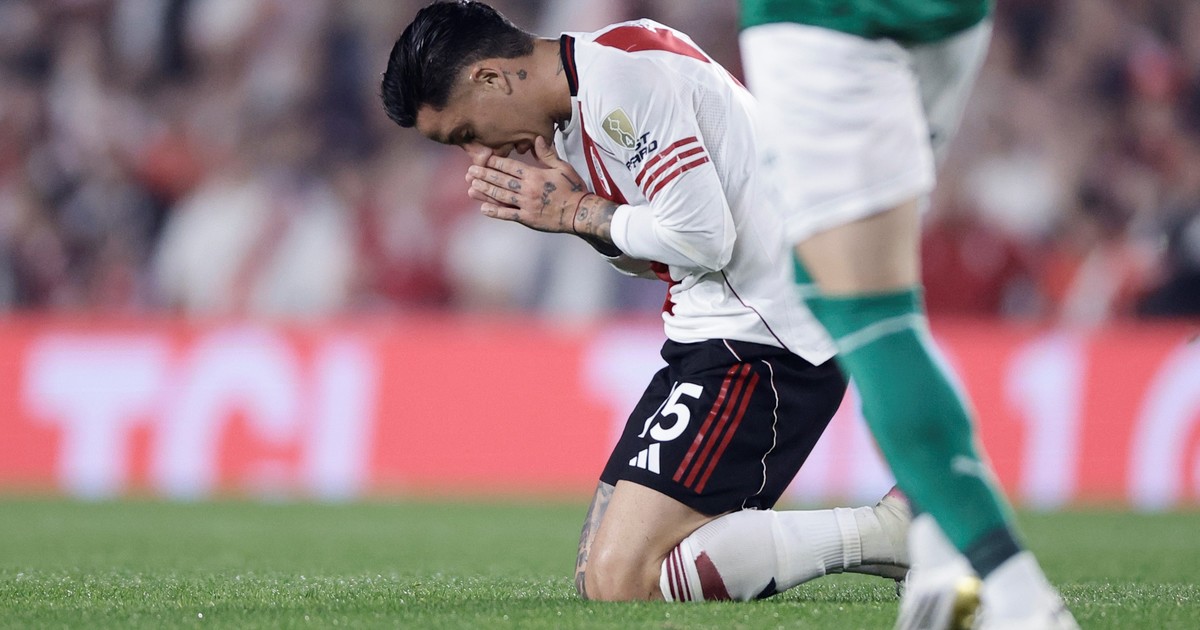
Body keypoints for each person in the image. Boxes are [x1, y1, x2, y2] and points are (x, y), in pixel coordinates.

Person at [381, 0, 910, 603]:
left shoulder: (623, 79)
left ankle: (894, 531)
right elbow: (664, 246)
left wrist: (581, 211)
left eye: (466, 134)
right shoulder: (583, 101)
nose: (479, 155)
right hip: (714, 330)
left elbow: (704, 237)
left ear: (491, 78)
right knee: (599, 577)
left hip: (767, 333)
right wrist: (580, 219)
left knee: (625, 581)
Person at [738, 1, 1078, 628]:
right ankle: (939, 563)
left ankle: (1021, 600)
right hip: (945, 17)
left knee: (862, 306)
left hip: (826, 15)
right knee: (832, 277)